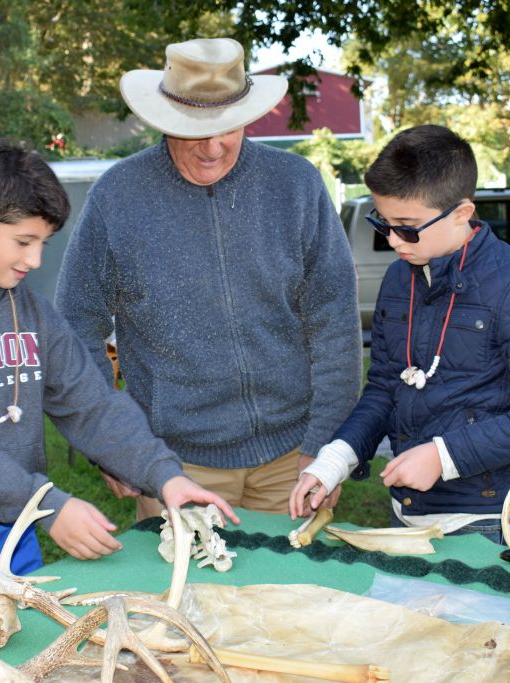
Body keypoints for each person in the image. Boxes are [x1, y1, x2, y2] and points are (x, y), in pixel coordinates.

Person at [0, 138, 238, 636]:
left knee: (29, 665)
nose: (36, 260)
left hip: (13, 534)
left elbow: (93, 406)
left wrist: (163, 475)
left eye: (43, 242)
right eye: (23, 242)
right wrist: (48, 505)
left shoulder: (33, 312)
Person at [56, 37, 361, 520]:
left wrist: (326, 443)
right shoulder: (118, 197)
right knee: (182, 598)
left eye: (228, 127)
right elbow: (76, 326)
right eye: (195, 130)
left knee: (300, 596)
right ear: (163, 120)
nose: (214, 147)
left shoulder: (297, 185)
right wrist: (111, 442)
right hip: (174, 468)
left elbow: (335, 320)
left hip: (294, 463)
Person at [290, 125, 510, 546]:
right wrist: (335, 458)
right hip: (408, 512)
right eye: (383, 223)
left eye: (406, 226)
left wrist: (444, 458)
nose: (391, 240)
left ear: (461, 213)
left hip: (484, 518)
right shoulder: (397, 279)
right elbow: (386, 387)